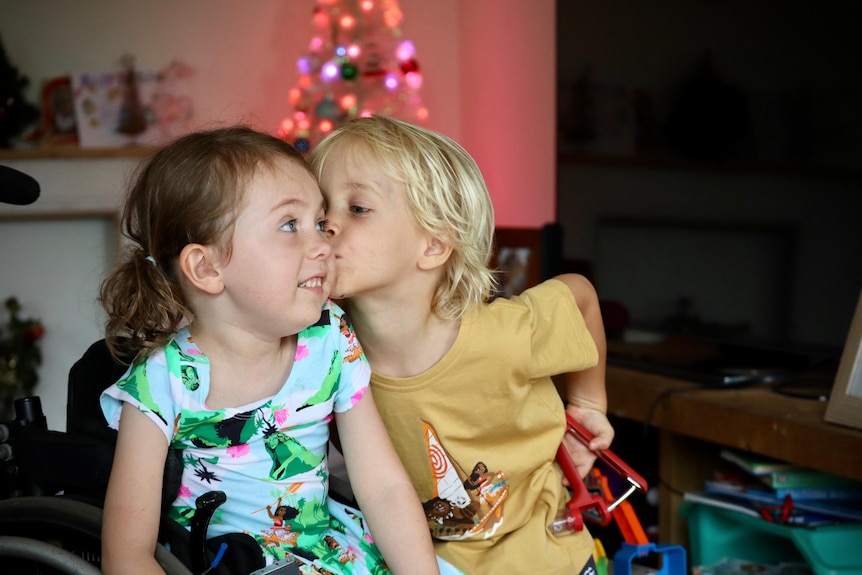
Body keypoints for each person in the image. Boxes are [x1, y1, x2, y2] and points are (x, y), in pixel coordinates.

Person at [98, 126, 459, 575]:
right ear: (206, 267)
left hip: (329, 555)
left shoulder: (328, 337)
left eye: (318, 222)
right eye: (290, 225)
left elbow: (382, 485)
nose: (323, 243)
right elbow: (126, 554)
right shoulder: (162, 381)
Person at [308, 116, 614, 575]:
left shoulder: (504, 336)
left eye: (358, 208)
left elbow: (581, 295)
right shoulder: (325, 346)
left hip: (550, 558)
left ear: (433, 245)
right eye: (319, 211)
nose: (327, 224)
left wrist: (589, 404)